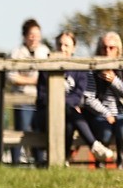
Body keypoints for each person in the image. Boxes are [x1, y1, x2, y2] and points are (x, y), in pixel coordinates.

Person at [35, 31, 99, 166]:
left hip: (68, 115)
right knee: (70, 113)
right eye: (59, 44)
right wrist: (60, 104)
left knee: (69, 122)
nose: (62, 48)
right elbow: (42, 97)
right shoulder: (46, 68)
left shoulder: (79, 69)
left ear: (73, 48)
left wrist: (63, 104)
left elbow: (78, 96)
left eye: (66, 45)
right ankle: (93, 145)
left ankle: (61, 160)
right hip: (46, 114)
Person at [6, 18, 50, 163]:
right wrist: (34, 81)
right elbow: (12, 76)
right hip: (22, 99)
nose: (34, 38)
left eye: (37, 34)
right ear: (25, 35)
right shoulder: (17, 52)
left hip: (40, 99)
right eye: (31, 34)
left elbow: (48, 75)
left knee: (38, 130)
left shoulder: (44, 51)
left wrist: (25, 78)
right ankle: (16, 161)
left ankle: (39, 162)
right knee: (21, 131)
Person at [81, 32, 123, 168]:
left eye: (111, 48)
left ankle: (121, 165)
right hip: (100, 113)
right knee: (105, 132)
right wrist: (106, 113)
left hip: (120, 112)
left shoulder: (121, 68)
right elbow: (89, 99)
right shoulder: (92, 70)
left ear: (118, 50)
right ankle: (100, 165)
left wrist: (114, 81)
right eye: (104, 47)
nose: (107, 51)